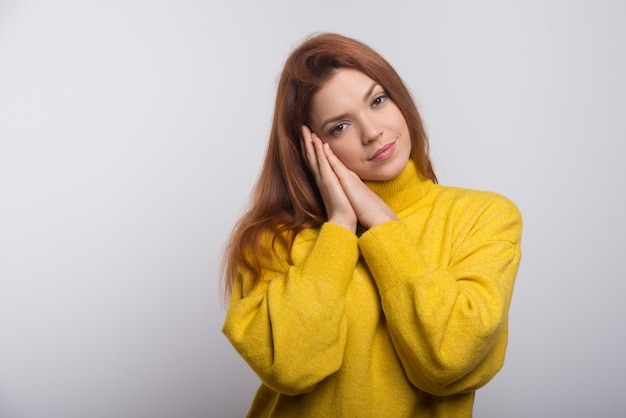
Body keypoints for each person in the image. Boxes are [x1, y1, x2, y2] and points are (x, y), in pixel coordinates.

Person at [221, 32, 522, 417]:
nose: (372, 132)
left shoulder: (484, 217)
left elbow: (448, 360)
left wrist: (380, 223)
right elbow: (291, 368)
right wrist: (341, 225)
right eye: (339, 126)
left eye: (378, 101)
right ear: (312, 148)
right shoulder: (273, 240)